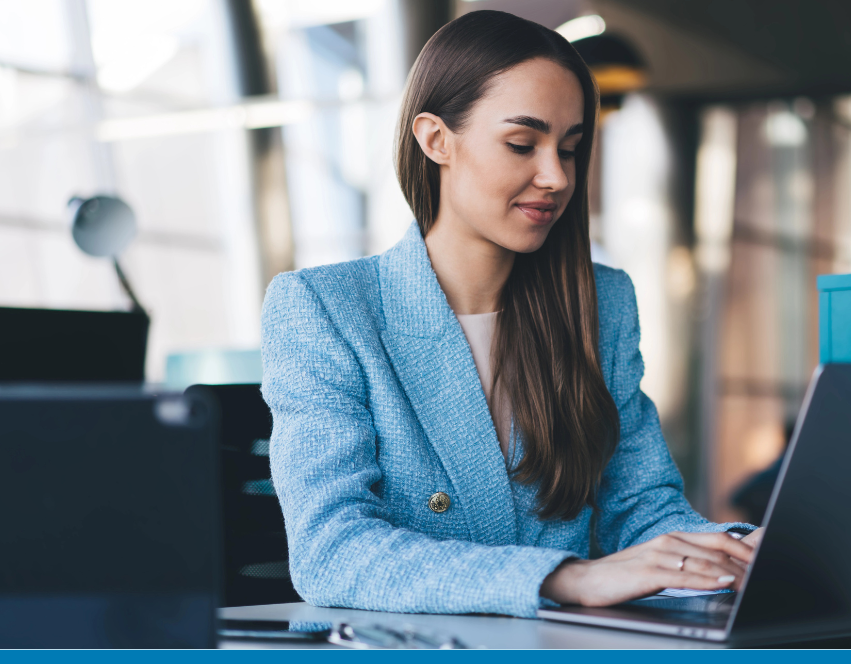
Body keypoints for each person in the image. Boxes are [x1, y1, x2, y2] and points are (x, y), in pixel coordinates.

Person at [261, 10, 762, 618]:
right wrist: (565, 578)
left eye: (571, 149)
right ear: (435, 139)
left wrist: (737, 552)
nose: (555, 177)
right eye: (522, 144)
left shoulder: (599, 303)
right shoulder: (325, 309)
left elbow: (643, 507)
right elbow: (331, 551)